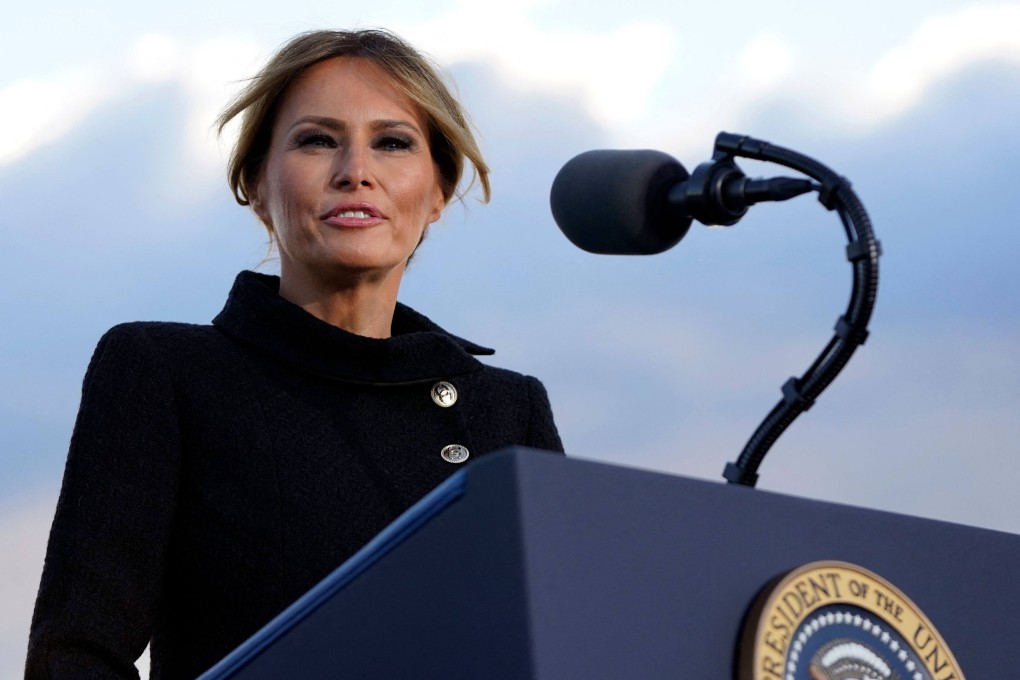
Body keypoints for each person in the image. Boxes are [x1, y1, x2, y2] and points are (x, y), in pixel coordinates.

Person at [26, 29, 563, 680]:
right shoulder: (164, 372)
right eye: (317, 139)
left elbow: (570, 643)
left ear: (437, 194)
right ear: (255, 182)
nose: (355, 171)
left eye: (392, 142)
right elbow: (76, 656)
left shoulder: (507, 410)